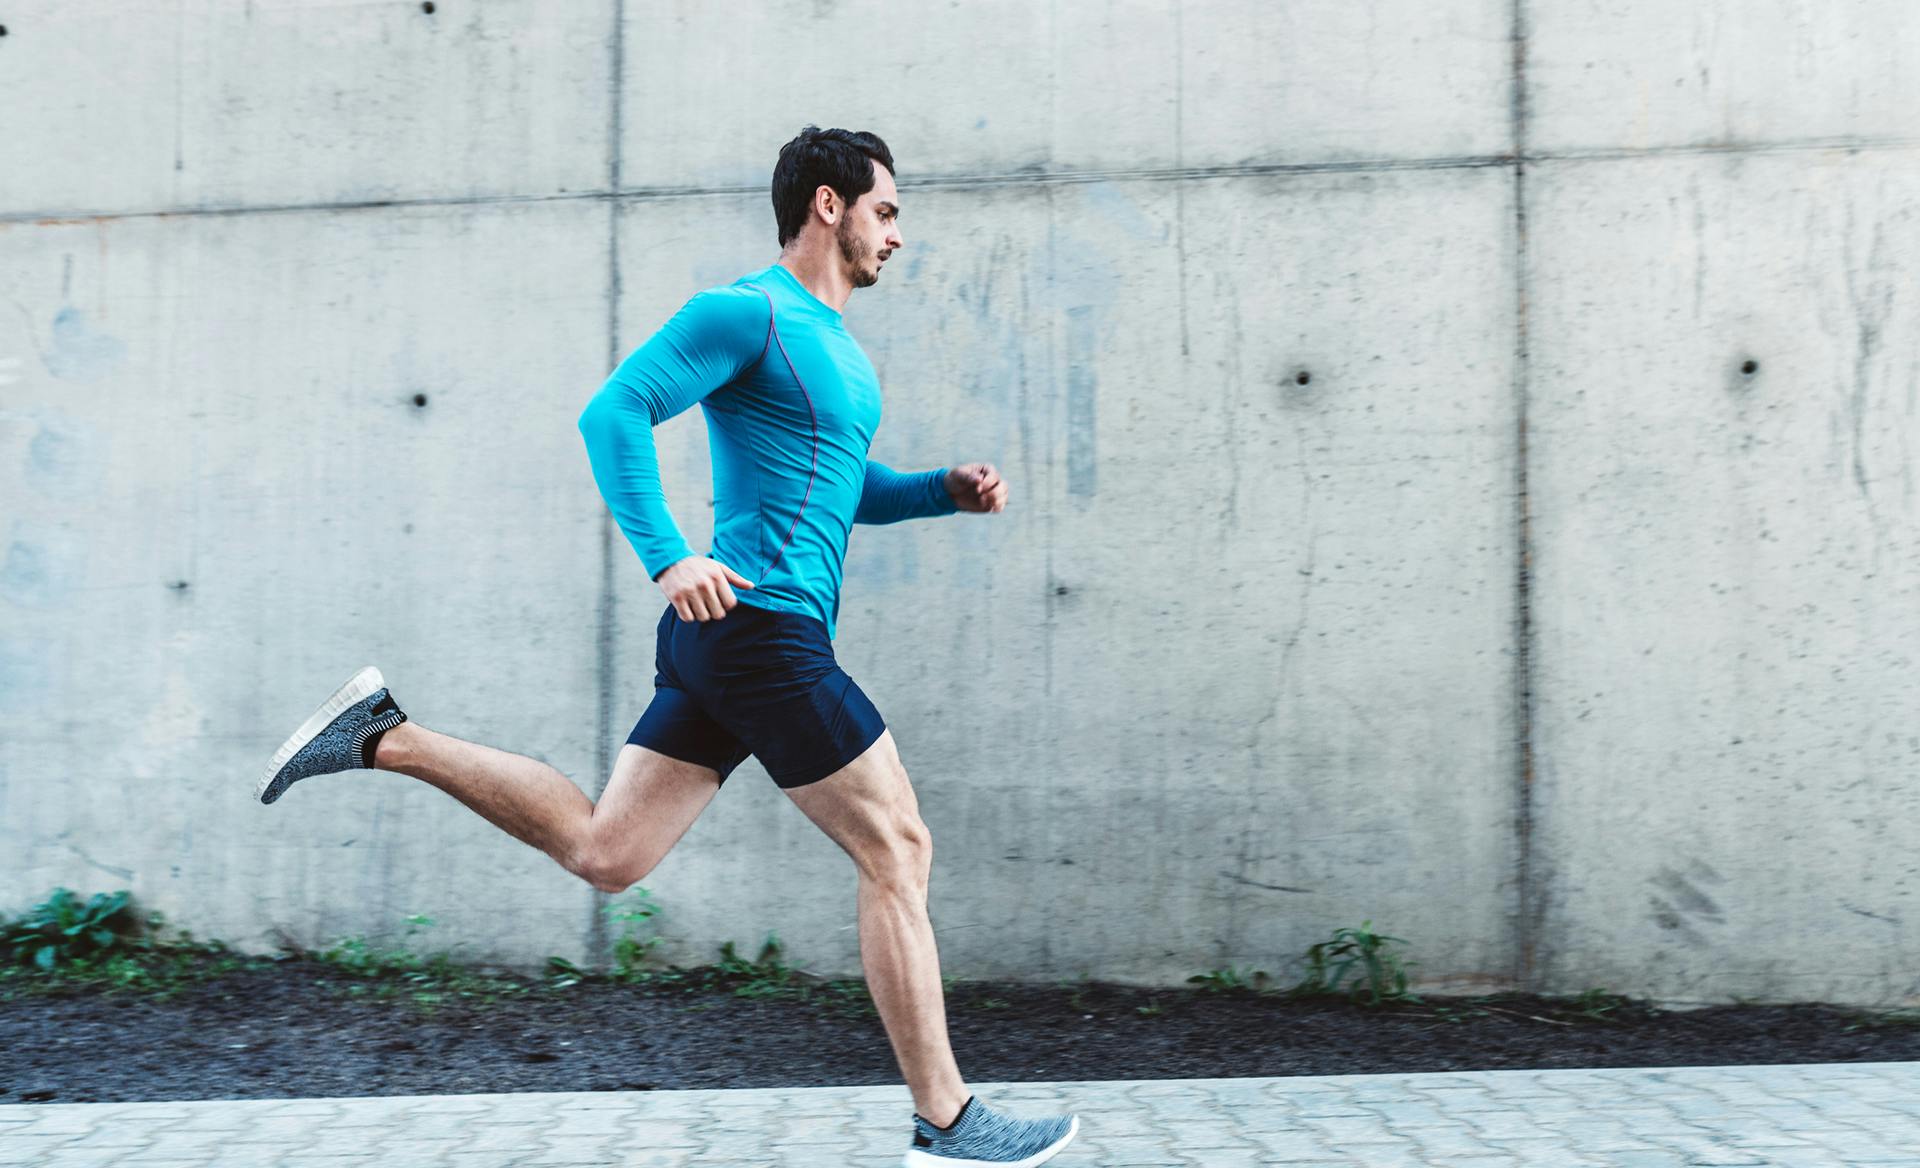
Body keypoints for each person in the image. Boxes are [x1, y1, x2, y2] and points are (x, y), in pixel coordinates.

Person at [255, 125, 1080, 1167]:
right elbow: (616, 411)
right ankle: (947, 1120)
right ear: (828, 205)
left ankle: (384, 736)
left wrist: (939, 494)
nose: (897, 237)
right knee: (898, 846)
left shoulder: (842, 353)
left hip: (730, 642)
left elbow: (841, 488)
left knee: (608, 852)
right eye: (887, 211)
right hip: (758, 629)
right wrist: (667, 556)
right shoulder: (749, 312)